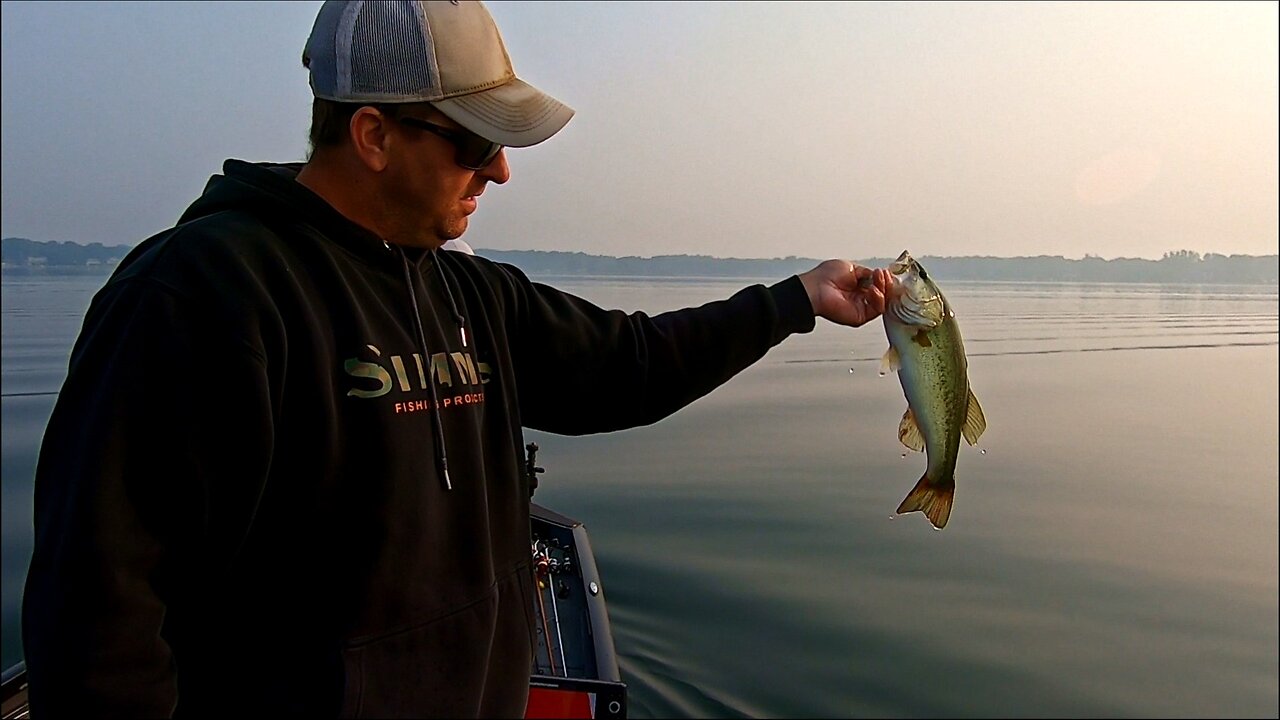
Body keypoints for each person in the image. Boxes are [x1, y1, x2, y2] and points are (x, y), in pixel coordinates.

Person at [20, 0, 891, 716]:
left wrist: (795, 301)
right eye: (475, 143)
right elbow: (100, 612)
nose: (502, 172)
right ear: (373, 135)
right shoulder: (201, 294)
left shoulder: (472, 294)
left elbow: (630, 364)